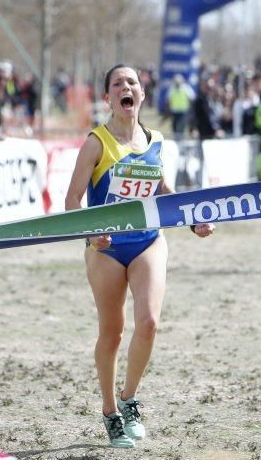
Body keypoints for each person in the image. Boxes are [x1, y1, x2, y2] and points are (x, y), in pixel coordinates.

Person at [64, 64, 214, 448]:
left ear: (142, 95)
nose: (125, 88)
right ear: (108, 98)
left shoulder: (156, 140)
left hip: (149, 241)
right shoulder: (97, 141)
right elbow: (71, 201)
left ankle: (130, 398)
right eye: (117, 84)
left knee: (148, 323)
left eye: (132, 83)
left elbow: (164, 191)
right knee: (112, 334)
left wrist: (193, 220)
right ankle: (110, 412)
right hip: (107, 250)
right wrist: (91, 232)